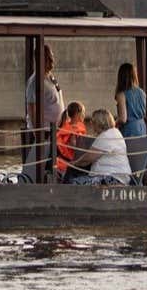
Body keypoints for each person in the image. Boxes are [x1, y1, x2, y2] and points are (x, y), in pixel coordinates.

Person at [23, 44, 64, 183]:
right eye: (48, 58)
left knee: (53, 166)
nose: (52, 61)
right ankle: (32, 181)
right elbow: (31, 108)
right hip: (44, 132)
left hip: (56, 132)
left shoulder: (51, 78)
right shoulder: (34, 81)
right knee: (39, 167)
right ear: (39, 59)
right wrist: (38, 132)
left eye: (52, 57)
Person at [69, 109, 131, 186]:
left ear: (99, 123)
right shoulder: (114, 132)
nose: (92, 125)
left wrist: (73, 164)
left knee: (72, 183)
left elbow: (88, 158)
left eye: (93, 122)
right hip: (117, 176)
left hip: (111, 178)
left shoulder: (106, 136)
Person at [113, 63, 147, 182]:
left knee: (128, 161)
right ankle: (138, 183)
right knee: (139, 161)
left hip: (129, 129)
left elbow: (123, 118)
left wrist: (113, 124)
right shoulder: (141, 92)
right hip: (141, 127)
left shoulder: (121, 94)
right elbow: (145, 113)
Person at [52, 101, 90, 184]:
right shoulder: (75, 129)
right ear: (77, 114)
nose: (84, 115)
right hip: (69, 166)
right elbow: (73, 144)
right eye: (83, 112)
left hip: (62, 163)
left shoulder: (66, 126)